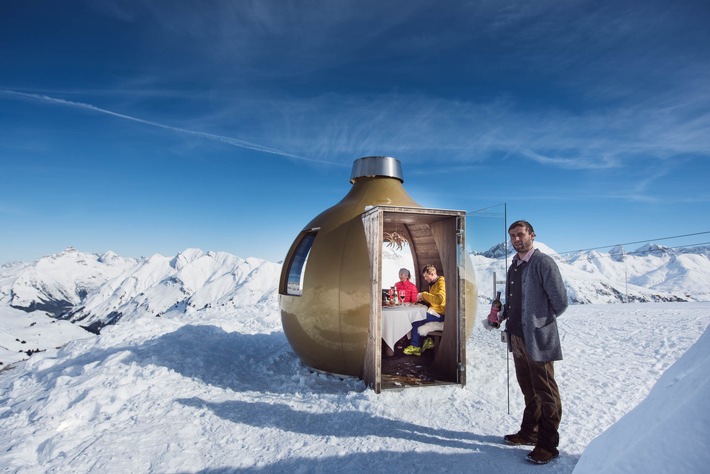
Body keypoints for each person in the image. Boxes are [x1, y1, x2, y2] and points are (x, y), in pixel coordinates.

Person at [498, 220, 568, 464]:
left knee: (546, 391)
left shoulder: (543, 263)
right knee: (529, 388)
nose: (516, 239)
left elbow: (560, 302)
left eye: (520, 234)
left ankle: (548, 445)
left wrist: (538, 322)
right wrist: (501, 313)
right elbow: (513, 302)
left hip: (538, 339)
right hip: (516, 337)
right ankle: (530, 432)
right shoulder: (514, 265)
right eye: (512, 236)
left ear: (532, 235)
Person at [403, 264, 445, 356]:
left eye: (426, 276)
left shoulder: (441, 282)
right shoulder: (433, 283)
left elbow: (440, 299)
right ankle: (425, 342)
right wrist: (424, 298)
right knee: (416, 317)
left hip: (440, 314)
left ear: (432, 273)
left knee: (417, 319)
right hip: (434, 312)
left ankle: (416, 346)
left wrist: (424, 294)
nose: (425, 279)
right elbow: (433, 299)